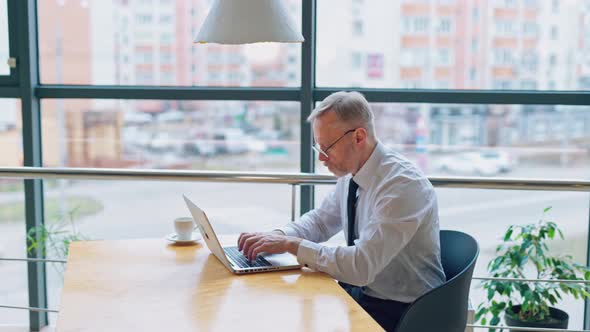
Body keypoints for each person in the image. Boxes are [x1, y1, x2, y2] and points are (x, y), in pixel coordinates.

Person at [238, 91, 445, 331]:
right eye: (319, 148)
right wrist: (277, 236)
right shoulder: (352, 173)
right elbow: (321, 222)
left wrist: (291, 245)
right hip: (365, 293)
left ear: (358, 137)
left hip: (407, 310)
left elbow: (361, 267)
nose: (322, 159)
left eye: (328, 147)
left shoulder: (402, 186)